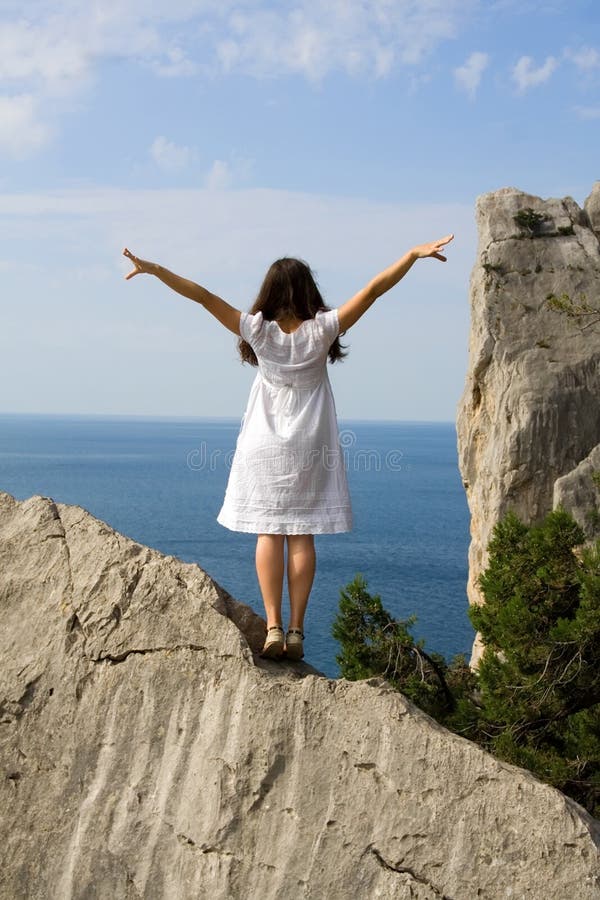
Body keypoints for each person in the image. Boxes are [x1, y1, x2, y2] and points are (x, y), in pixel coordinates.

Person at [122, 233, 454, 661]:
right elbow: (374, 289)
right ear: (307, 290)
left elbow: (202, 296)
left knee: (269, 530)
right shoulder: (322, 330)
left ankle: (273, 625)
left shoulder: (257, 331)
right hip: (310, 444)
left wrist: (154, 269)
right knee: (301, 534)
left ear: (270, 292)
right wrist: (411, 254)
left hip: (264, 444)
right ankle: (297, 629)